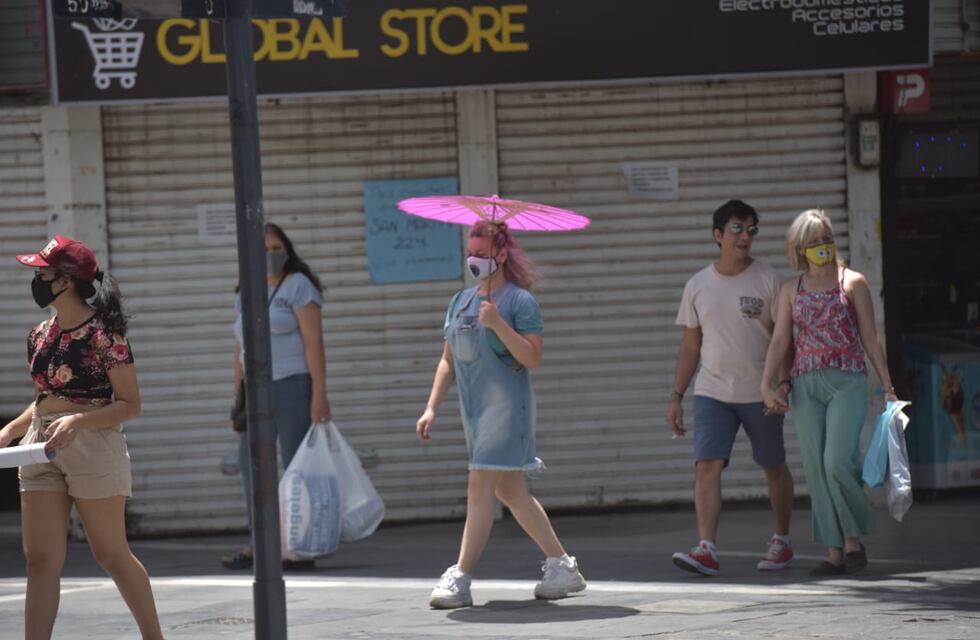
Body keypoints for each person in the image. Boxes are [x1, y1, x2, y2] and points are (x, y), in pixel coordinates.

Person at [0, 236, 164, 640]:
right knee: (40, 560)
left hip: (93, 444)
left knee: (110, 554)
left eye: (42, 272)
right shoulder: (39, 334)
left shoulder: (106, 335)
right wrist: (9, 430)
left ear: (66, 281)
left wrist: (77, 422)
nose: (36, 279)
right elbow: (44, 400)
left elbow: (130, 404)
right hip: (40, 446)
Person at [416, 221, 585, 608]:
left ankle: (460, 576)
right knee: (509, 490)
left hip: (507, 409)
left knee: (479, 486)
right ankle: (563, 566)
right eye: (470, 252)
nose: (474, 259)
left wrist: (498, 324)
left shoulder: (519, 302)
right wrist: (431, 407)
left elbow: (532, 357)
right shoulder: (459, 301)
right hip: (473, 413)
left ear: (502, 255)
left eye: (482, 252)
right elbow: (447, 361)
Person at [761, 209, 898, 576]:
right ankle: (834, 550)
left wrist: (886, 384)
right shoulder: (792, 289)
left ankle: (854, 539)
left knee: (837, 461)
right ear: (798, 248)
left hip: (848, 380)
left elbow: (870, 337)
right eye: (812, 242)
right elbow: (779, 340)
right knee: (815, 467)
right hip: (806, 384)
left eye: (824, 238)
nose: (820, 246)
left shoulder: (853, 282)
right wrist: (768, 382)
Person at [667, 200, 796, 577]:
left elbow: (783, 339)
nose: (745, 237)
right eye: (737, 229)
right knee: (706, 466)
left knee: (773, 465)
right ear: (718, 235)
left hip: (762, 392)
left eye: (752, 229)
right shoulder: (698, 285)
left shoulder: (768, 280)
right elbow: (691, 346)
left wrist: (783, 383)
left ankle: (782, 541)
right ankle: (706, 548)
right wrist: (676, 396)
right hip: (712, 393)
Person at [221, 223, 332, 571]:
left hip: (292, 385)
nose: (271, 256)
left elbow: (314, 342)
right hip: (255, 391)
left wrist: (319, 395)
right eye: (264, 250)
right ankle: (260, 542)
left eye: (276, 248)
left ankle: (300, 545)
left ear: (287, 250)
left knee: (296, 466)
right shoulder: (246, 291)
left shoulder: (299, 286)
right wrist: (236, 395)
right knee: (250, 466)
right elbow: (240, 346)